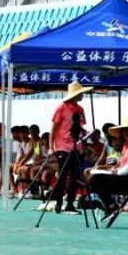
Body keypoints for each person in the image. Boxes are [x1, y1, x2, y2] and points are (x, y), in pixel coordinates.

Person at [88, 117, 128, 218]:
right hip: (126, 179)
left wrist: (115, 172)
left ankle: (110, 207)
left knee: (96, 180)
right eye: (124, 130)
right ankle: (110, 206)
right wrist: (114, 170)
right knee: (94, 179)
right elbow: (123, 166)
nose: (125, 132)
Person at [44, 81, 88, 214]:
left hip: (77, 146)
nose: (83, 95)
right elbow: (53, 128)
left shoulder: (80, 110)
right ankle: (58, 203)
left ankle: (70, 204)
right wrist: (51, 147)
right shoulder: (61, 107)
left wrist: (84, 132)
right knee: (62, 176)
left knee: (76, 176)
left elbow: (78, 126)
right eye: (81, 93)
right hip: (62, 146)